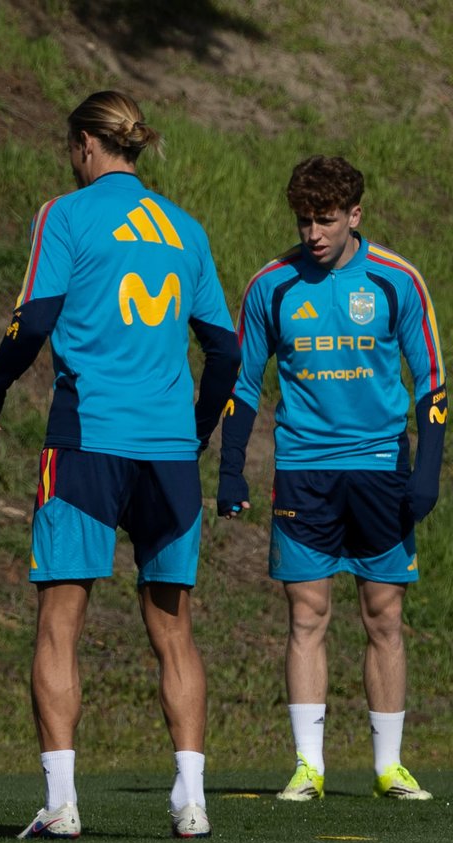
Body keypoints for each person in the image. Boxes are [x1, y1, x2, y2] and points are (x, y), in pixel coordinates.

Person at [0, 90, 240, 840]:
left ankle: (62, 803)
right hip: (168, 455)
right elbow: (224, 350)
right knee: (174, 630)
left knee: (60, 622)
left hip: (87, 442)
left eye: (71, 146)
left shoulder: (66, 214)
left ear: (87, 144)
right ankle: (191, 801)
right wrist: (196, 430)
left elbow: (35, 318)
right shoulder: (185, 227)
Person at [217, 156, 445, 803]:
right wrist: (230, 469)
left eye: (325, 219)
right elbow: (242, 383)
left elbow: (431, 383)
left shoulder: (397, 280)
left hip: (380, 469)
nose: (313, 233)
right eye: (304, 220)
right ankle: (308, 767)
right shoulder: (272, 285)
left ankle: (389, 767)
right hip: (304, 470)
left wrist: (427, 472)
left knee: (384, 616)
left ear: (355, 215)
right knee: (307, 614)